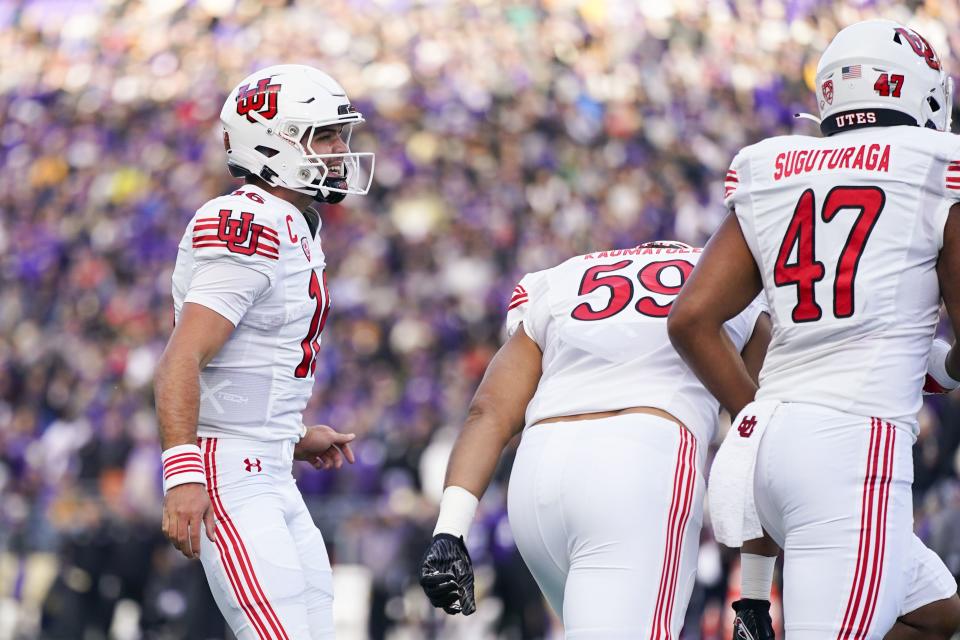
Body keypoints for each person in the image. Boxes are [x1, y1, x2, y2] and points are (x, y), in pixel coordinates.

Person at [668, 20, 960, 639]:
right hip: (855, 449)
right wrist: (941, 367)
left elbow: (692, 318)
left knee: (937, 618)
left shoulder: (771, 166)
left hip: (766, 449)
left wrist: (754, 414)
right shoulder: (937, 165)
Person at [418, 241, 772, 637]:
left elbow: (488, 410)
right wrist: (756, 592)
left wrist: (449, 529)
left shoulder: (560, 278)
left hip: (538, 476)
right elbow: (758, 436)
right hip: (639, 465)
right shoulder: (732, 274)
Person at [154, 64, 374, 639]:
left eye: (340, 135)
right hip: (229, 473)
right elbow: (183, 358)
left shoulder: (293, 220)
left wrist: (292, 437)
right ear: (270, 141)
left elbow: (246, 364)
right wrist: (181, 474)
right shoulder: (246, 219)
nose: (338, 151)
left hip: (268, 468)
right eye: (323, 136)